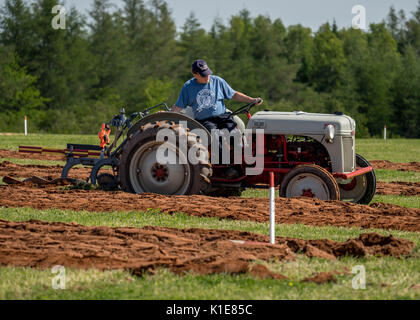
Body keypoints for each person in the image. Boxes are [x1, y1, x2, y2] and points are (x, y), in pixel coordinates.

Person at [171, 59, 263, 133]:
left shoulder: (218, 81)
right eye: (203, 75)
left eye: (208, 73)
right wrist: (165, 113)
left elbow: (234, 94)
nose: (207, 77)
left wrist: (251, 100)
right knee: (216, 137)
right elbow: (179, 106)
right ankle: (219, 155)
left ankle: (237, 153)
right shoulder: (188, 87)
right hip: (205, 121)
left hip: (223, 117)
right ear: (195, 74)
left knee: (235, 134)